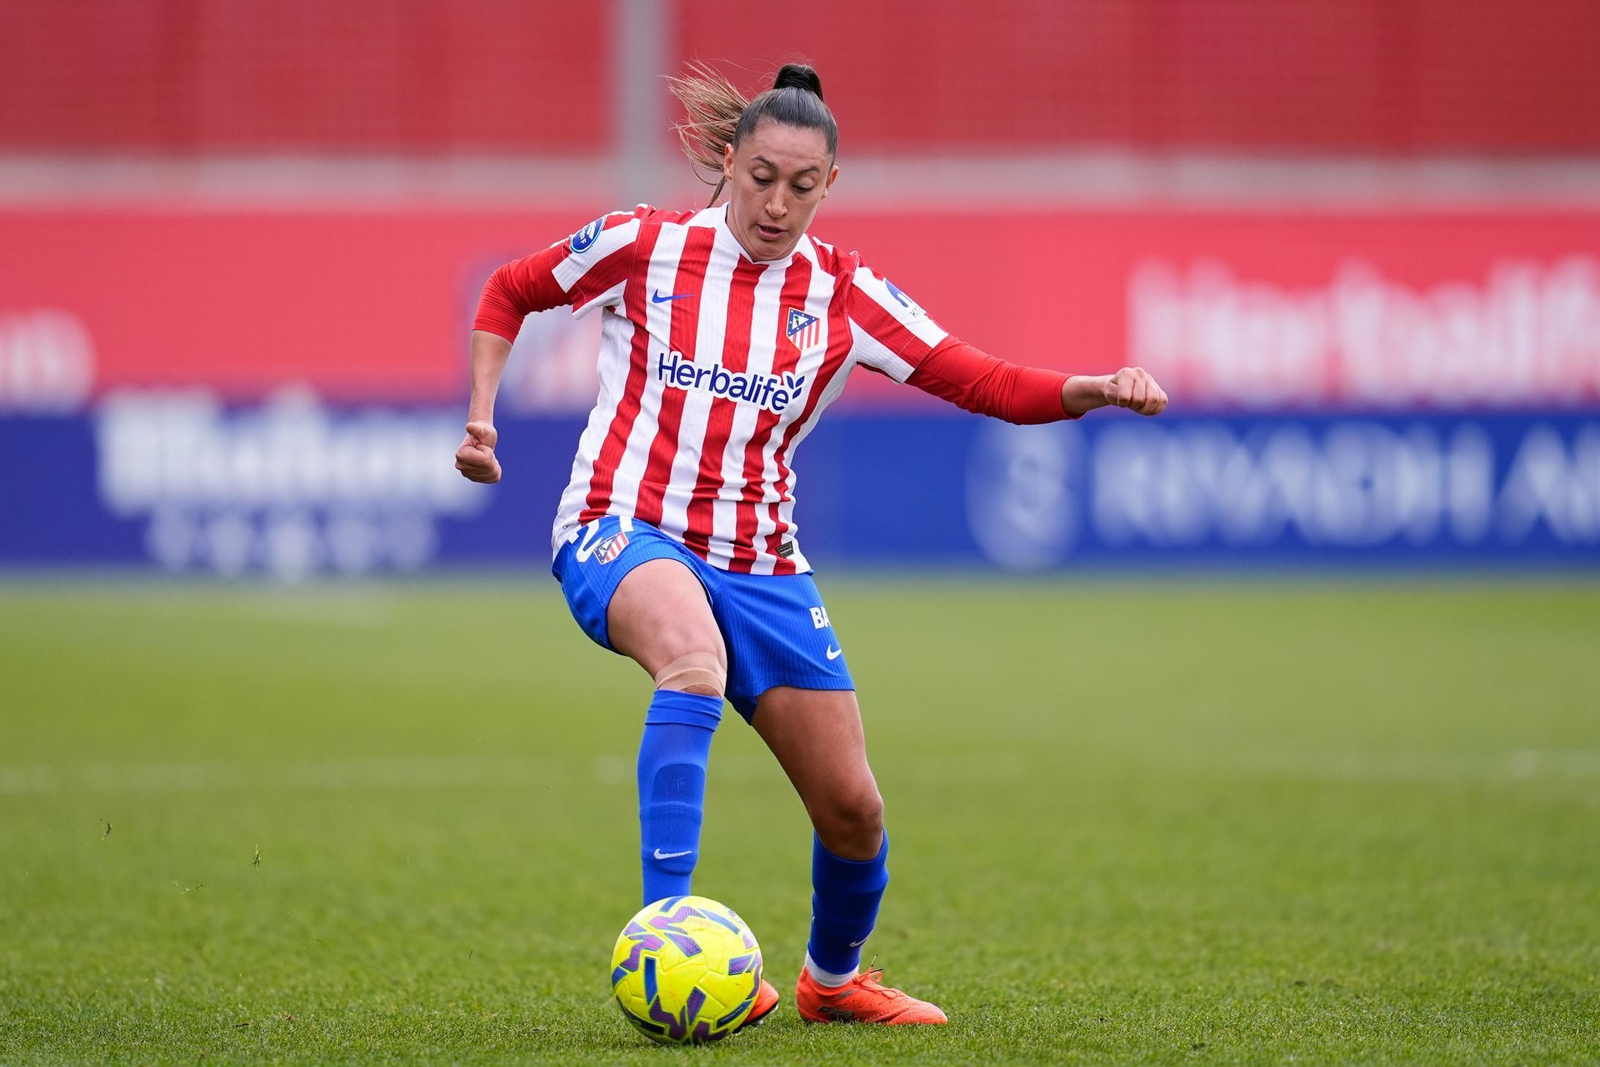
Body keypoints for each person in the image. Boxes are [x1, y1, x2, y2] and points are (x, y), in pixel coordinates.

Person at [455, 61, 1168, 1030]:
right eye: (761, 177)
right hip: (623, 524)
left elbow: (984, 381)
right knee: (692, 662)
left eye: (801, 185)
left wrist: (1095, 384)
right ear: (728, 162)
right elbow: (509, 289)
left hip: (762, 558)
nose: (777, 203)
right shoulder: (644, 245)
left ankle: (832, 980)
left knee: (853, 808)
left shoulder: (845, 291)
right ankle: (665, 923)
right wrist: (482, 419)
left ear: (828, 186)